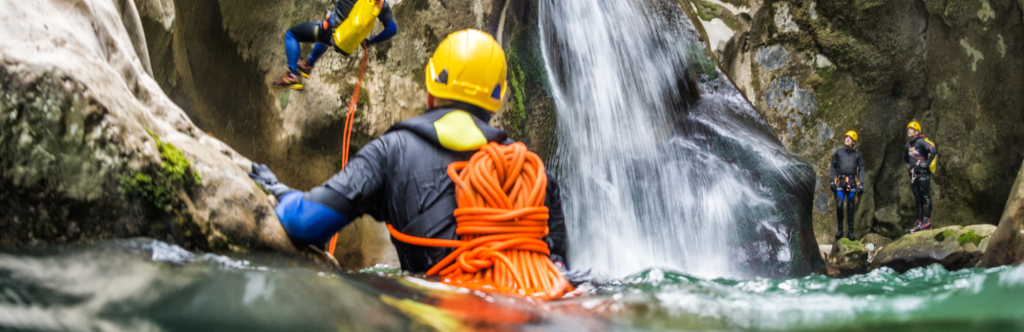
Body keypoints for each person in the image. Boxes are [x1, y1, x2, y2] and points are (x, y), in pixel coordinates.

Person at [251, 29, 569, 272]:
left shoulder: (392, 152)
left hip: (434, 314)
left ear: (431, 88)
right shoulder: (534, 171)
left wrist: (279, 190)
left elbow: (305, 223)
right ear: (496, 100)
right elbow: (559, 268)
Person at [272, 0, 398, 90]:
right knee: (328, 39)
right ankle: (308, 64)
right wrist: (371, 42)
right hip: (342, 39)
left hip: (329, 30)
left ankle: (292, 75)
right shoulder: (381, 5)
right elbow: (392, 29)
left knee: (291, 35)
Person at [830, 130, 865, 241]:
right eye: (846, 137)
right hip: (840, 182)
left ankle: (850, 232)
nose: (847, 139)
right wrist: (832, 181)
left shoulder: (857, 155)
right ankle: (840, 231)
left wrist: (861, 184)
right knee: (840, 205)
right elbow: (833, 166)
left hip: (852, 183)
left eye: (850, 138)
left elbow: (862, 169)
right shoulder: (839, 153)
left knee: (850, 207)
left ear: (854, 142)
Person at [905, 121, 938, 233]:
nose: (909, 130)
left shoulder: (921, 142)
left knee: (926, 197)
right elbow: (905, 158)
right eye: (908, 129)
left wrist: (926, 164)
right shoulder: (908, 145)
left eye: (911, 129)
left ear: (917, 131)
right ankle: (919, 222)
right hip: (914, 175)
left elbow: (933, 151)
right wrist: (909, 168)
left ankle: (927, 221)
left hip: (923, 173)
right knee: (918, 199)